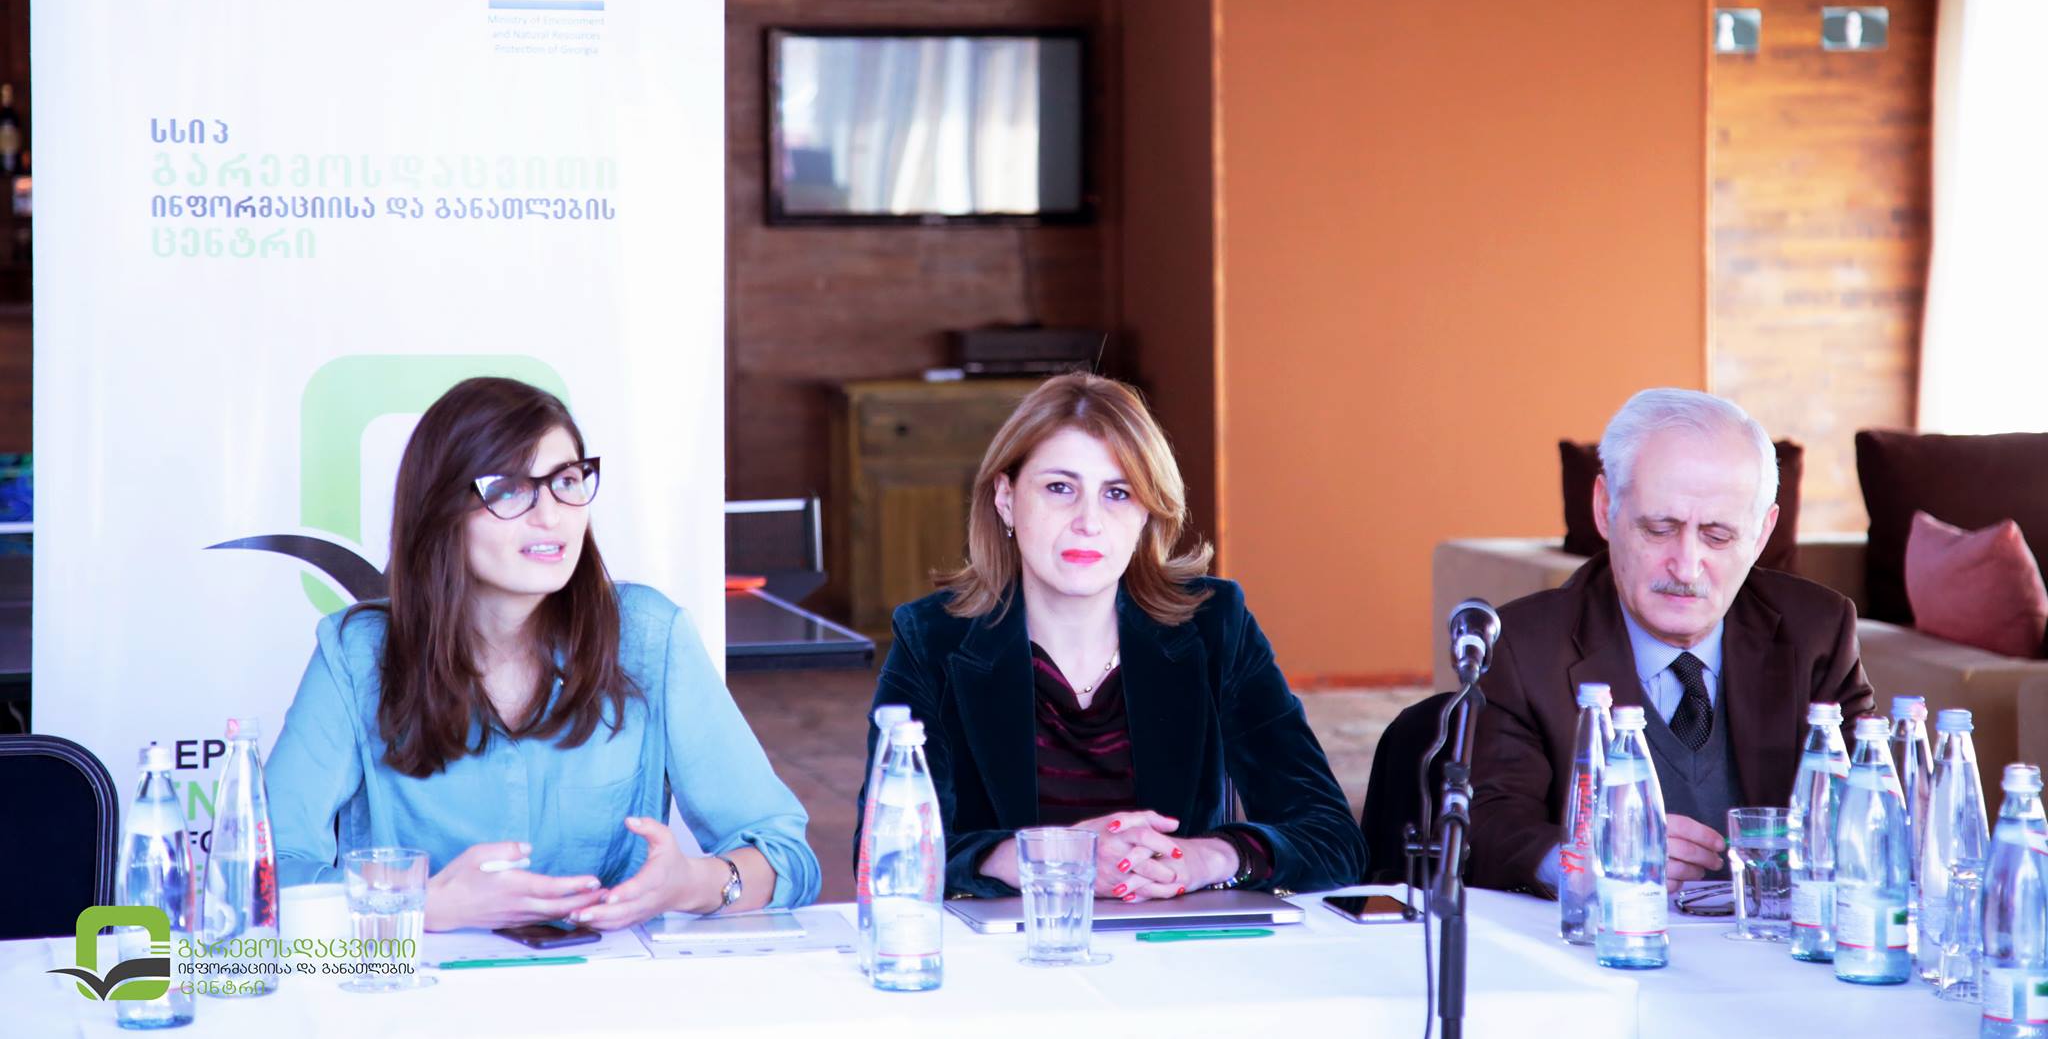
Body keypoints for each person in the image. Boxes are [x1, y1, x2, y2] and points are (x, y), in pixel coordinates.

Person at [267, 376, 819, 929]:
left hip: (610, 977)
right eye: (509, 489)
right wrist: (425, 903)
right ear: (438, 510)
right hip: (416, 980)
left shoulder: (649, 635)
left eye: (567, 481)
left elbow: (786, 856)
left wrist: (689, 884)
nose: (551, 516)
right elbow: (263, 872)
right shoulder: (358, 653)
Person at [856, 372, 1364, 899]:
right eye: (1060, 488)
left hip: (1176, 938)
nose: (1089, 521)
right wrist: (1046, 857)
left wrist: (1207, 858)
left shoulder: (1215, 625)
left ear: (1146, 513)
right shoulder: (932, 639)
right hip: (1011, 942)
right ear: (1006, 499)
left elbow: (1333, 840)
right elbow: (885, 857)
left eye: (1118, 493)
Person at [1468, 387, 1874, 895]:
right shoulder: (1524, 647)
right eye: (1659, 529)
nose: (1686, 567)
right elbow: (1487, 827)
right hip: (1607, 937)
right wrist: (1587, 862)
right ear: (1604, 508)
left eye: (1718, 536)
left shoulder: (1818, 632)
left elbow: (1870, 809)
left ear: (1762, 533)